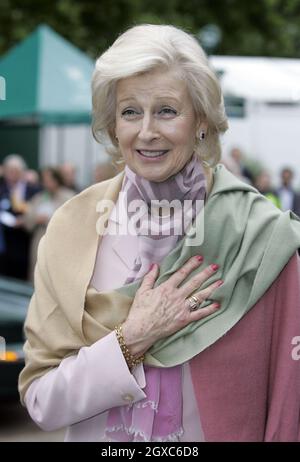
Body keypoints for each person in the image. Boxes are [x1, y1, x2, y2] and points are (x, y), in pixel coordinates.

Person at [19, 24, 300, 442]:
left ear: (201, 121)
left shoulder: (260, 235)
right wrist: (131, 339)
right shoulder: (71, 230)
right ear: (113, 125)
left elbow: (288, 404)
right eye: (131, 111)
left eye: (167, 110)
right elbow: (42, 400)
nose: (147, 131)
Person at [21, 167, 75, 281]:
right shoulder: (39, 198)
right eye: (44, 180)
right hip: (40, 240)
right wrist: (36, 219)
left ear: (57, 180)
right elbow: (27, 219)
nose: (46, 183)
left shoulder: (69, 196)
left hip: (59, 243)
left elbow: (74, 220)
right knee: (38, 274)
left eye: (49, 179)